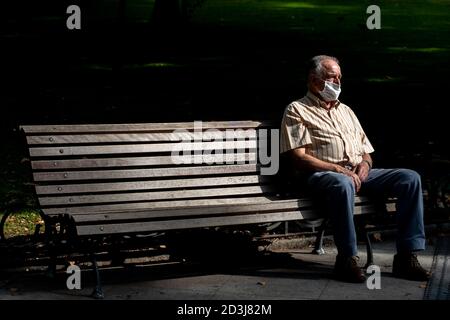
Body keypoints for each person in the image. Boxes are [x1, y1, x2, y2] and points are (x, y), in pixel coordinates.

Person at [280, 55, 431, 283]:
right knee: (343, 183)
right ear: (314, 80)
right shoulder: (297, 110)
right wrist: (338, 169)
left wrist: (365, 164)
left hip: (355, 174)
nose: (338, 83)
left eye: (339, 77)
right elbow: (298, 158)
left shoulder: (346, 111)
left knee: (409, 178)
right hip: (322, 175)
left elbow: (365, 151)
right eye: (332, 78)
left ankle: (407, 257)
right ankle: (347, 259)